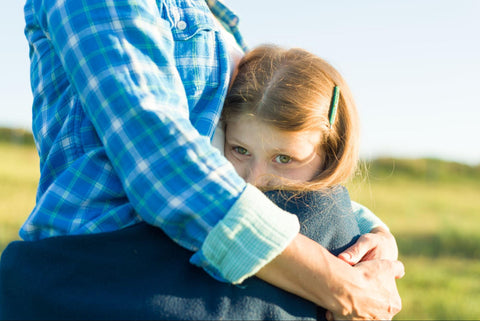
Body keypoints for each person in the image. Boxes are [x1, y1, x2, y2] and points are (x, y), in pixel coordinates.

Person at [0, 0, 404, 319]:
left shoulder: (216, 19)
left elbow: (228, 161)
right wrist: (340, 284)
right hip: (112, 267)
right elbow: (160, 160)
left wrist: (371, 241)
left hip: (180, 256)